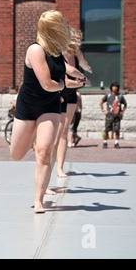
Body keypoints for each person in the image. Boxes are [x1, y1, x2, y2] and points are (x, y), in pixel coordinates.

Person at [9, 10, 85, 213]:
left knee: (43, 152)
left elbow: (62, 78)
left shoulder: (57, 52)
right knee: (16, 155)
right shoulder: (35, 50)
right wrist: (65, 84)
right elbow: (48, 84)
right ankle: (32, 133)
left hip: (50, 106)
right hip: (28, 105)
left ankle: (39, 199)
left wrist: (78, 77)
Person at [53, 27, 91, 178]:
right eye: (77, 40)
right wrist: (82, 82)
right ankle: (48, 161)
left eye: (81, 39)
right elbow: (67, 81)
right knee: (56, 132)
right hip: (59, 93)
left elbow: (80, 71)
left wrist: (82, 79)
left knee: (64, 131)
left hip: (71, 95)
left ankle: (60, 168)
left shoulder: (77, 55)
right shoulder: (60, 54)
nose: (80, 42)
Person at [100, 81, 127, 148]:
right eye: (113, 86)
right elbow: (101, 103)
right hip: (109, 115)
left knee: (117, 129)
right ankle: (105, 142)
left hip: (117, 116)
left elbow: (125, 105)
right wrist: (104, 111)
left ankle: (116, 142)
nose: (114, 88)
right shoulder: (108, 95)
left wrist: (122, 111)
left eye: (116, 87)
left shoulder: (120, 96)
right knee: (106, 129)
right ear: (111, 87)